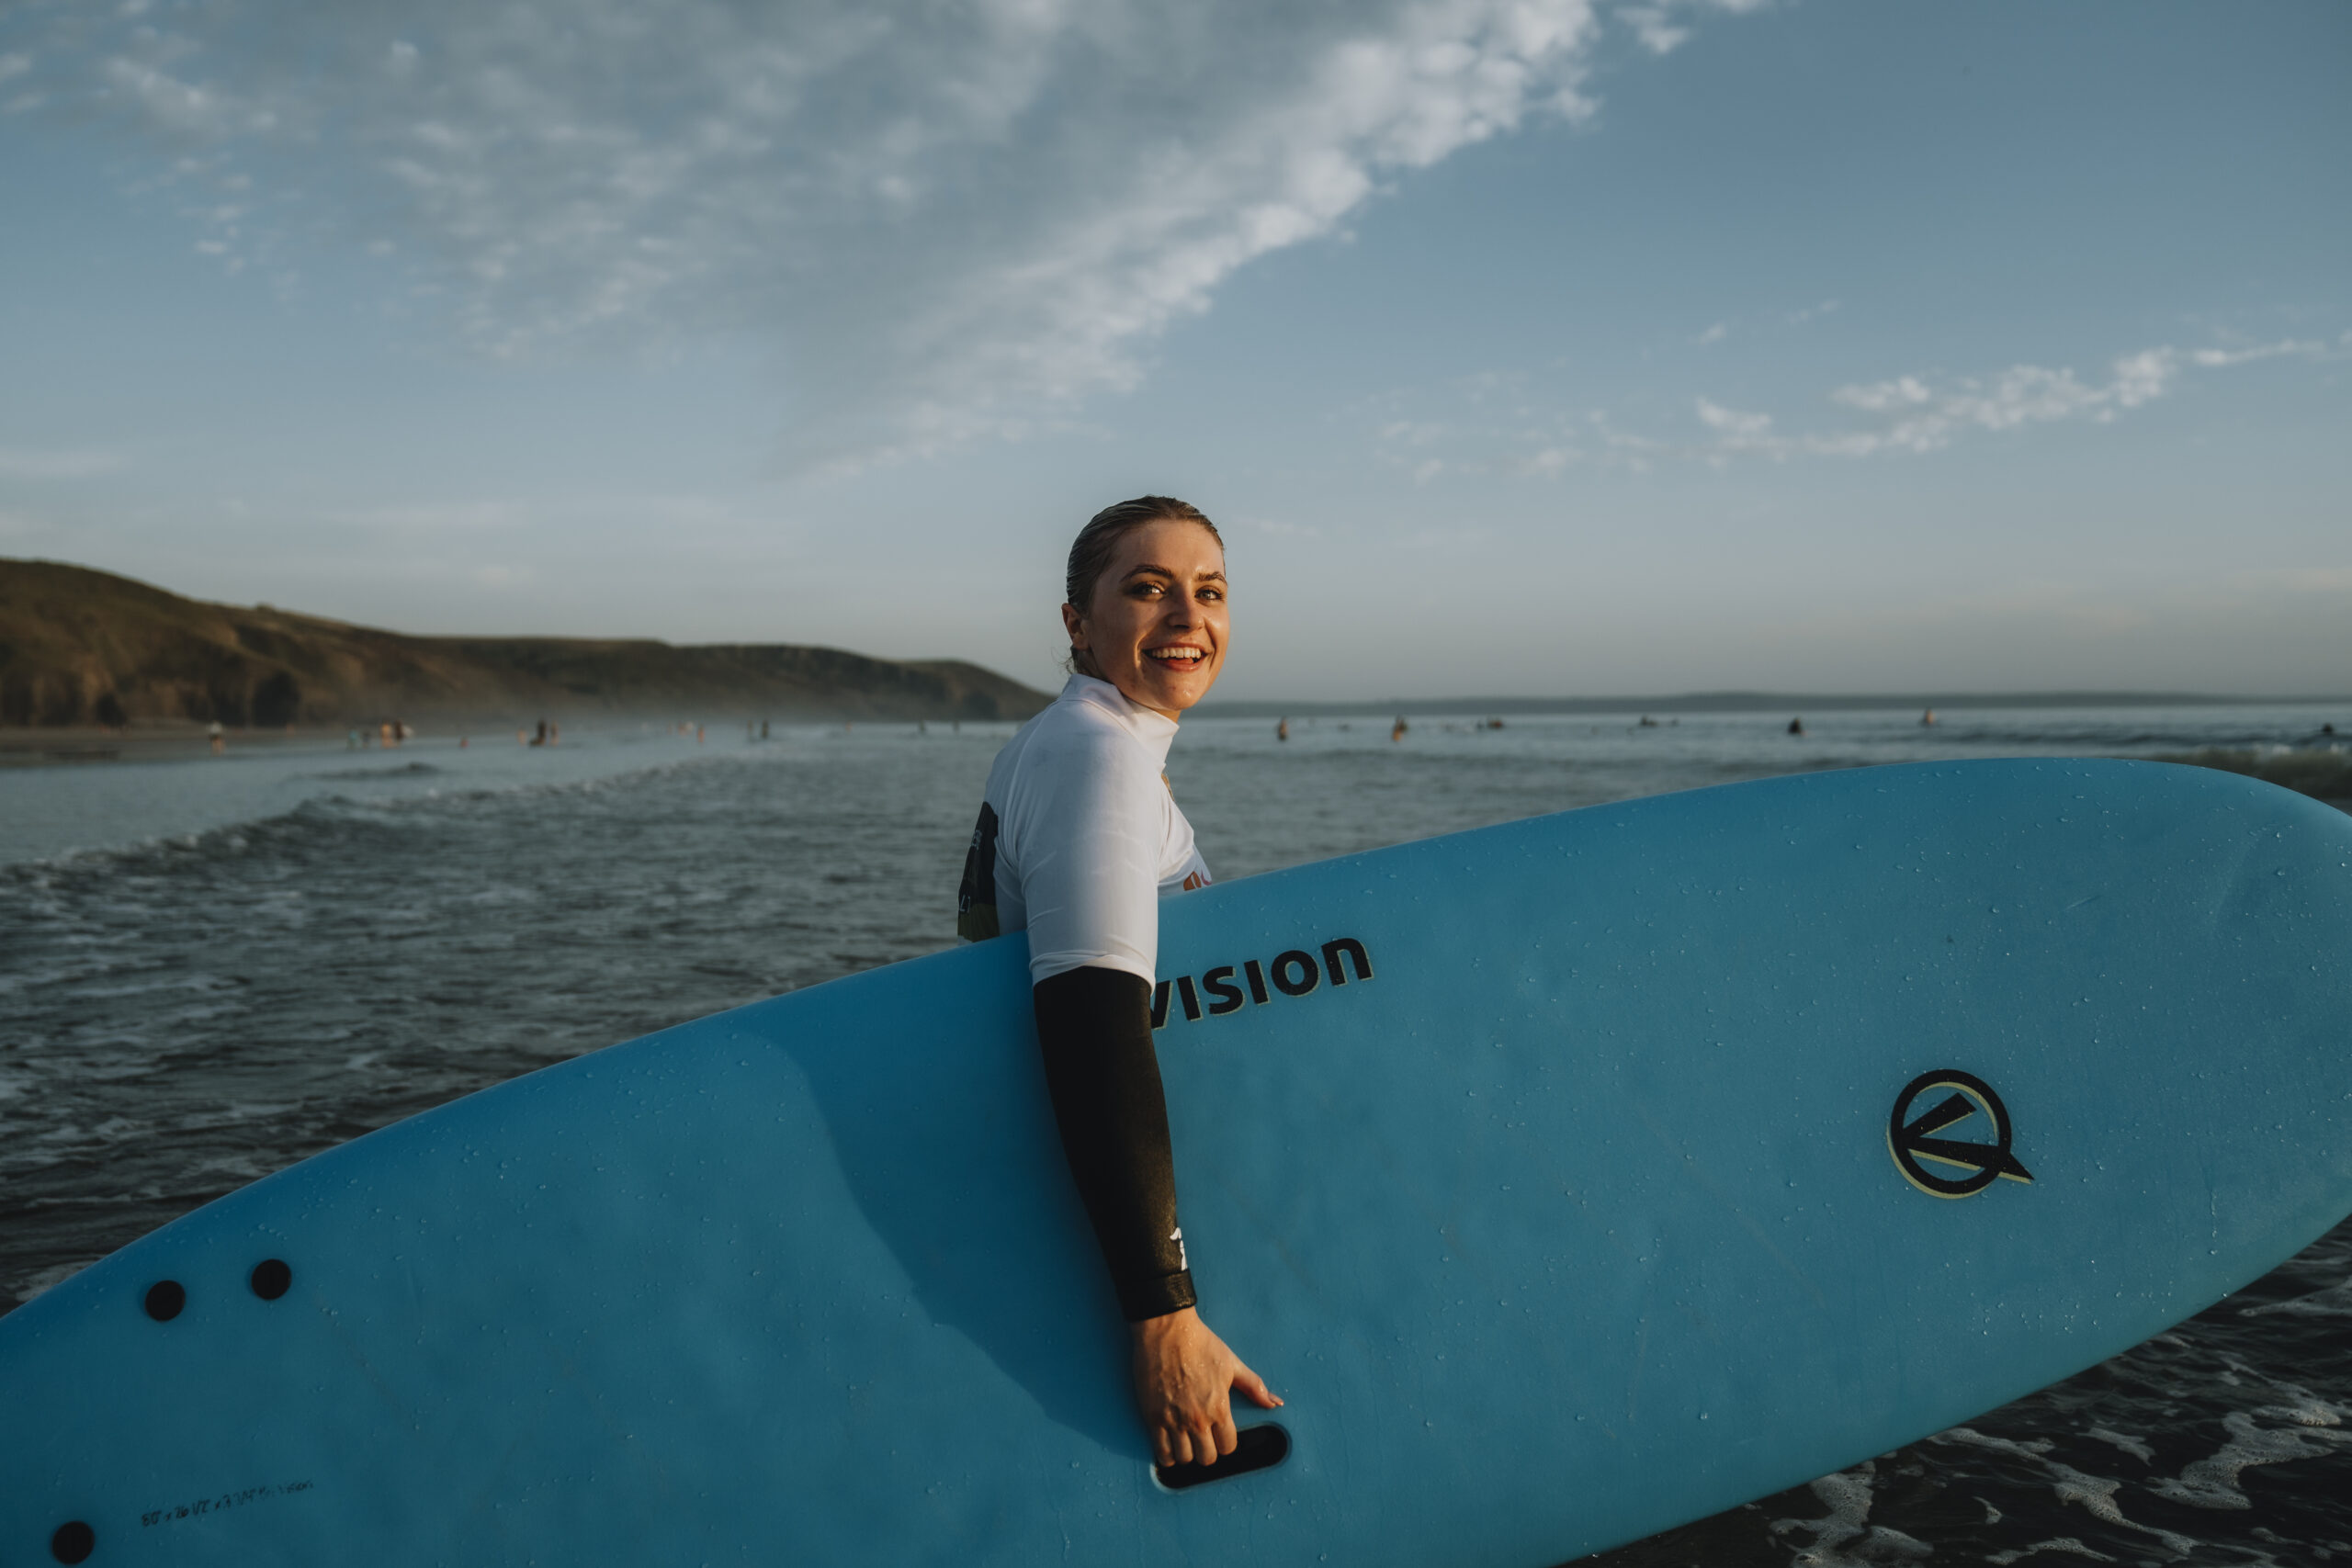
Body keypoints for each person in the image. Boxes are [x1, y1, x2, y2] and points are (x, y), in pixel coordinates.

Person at [956, 495, 1281, 1471]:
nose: (1188, 619)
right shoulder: (1095, 756)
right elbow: (1092, 1021)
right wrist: (1162, 1316)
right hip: (1118, 1230)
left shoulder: (1072, 743)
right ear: (1076, 623)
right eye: (1147, 590)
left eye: (1209, 592)